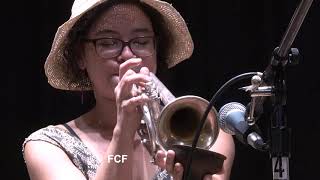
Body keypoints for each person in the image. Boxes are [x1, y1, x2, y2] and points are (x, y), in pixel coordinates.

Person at [22, 0, 235, 179]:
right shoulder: (48, 146)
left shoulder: (207, 130)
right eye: (108, 42)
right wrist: (124, 130)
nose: (128, 56)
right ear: (80, 56)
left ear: (155, 48)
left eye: (141, 42)